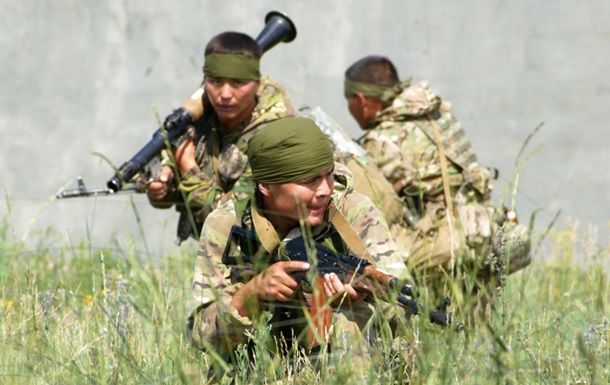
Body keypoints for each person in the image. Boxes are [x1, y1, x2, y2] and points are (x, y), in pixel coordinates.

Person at [187, 117, 414, 382]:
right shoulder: (226, 224)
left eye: (328, 175)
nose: (324, 190)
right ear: (266, 185)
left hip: (341, 363)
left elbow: (404, 309)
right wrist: (251, 296)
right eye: (309, 181)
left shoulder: (354, 213)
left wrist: (362, 300)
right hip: (260, 365)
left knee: (350, 317)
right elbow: (200, 336)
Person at [343, 55, 531, 309]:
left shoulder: (384, 140)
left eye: (349, 102)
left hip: (447, 240)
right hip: (483, 228)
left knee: (368, 256)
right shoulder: (437, 114)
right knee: (478, 329)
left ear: (361, 100)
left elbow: (378, 208)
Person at [146, 31, 296, 244]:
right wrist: (163, 188)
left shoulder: (273, 138)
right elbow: (198, 178)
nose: (225, 94)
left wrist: (188, 168)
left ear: (256, 84)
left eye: (237, 83)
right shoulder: (203, 119)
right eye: (215, 82)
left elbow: (232, 220)